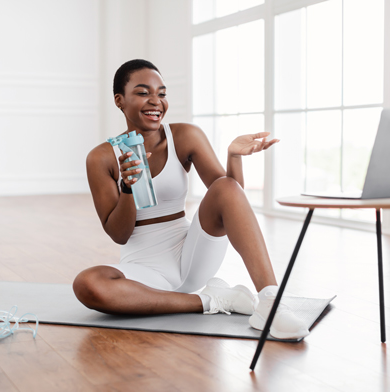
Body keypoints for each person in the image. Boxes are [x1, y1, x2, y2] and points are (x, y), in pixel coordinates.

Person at [73, 59, 309, 339]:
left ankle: (271, 303)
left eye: (161, 93)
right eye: (142, 92)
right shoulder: (100, 157)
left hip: (192, 254)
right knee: (87, 284)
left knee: (223, 185)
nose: (155, 102)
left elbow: (231, 197)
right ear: (119, 100)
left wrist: (234, 158)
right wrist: (128, 187)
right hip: (144, 269)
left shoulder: (185, 136)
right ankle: (214, 300)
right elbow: (119, 235)